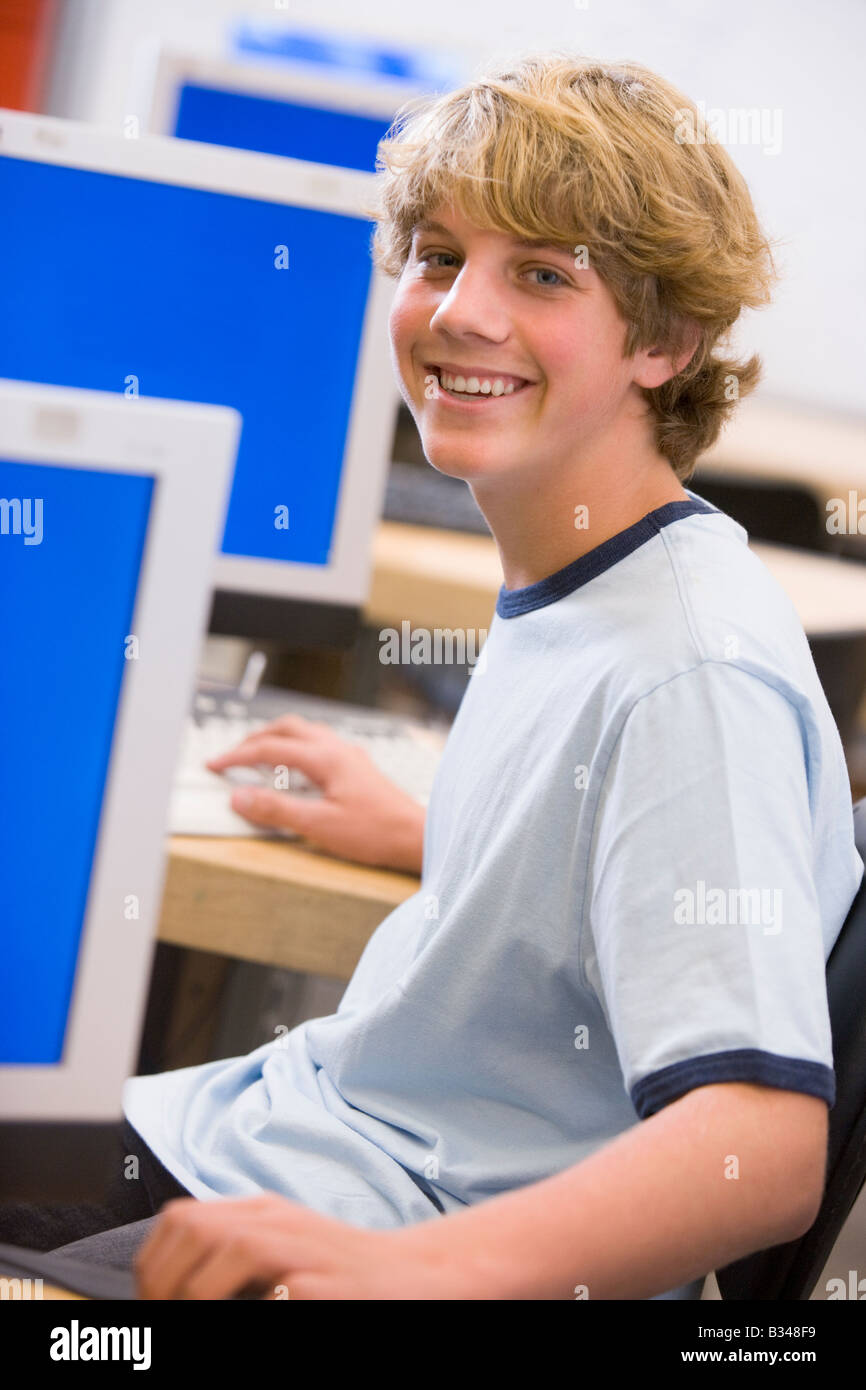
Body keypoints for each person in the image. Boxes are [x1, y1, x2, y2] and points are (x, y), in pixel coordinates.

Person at [3, 52, 862, 1300]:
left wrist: (403, 1269)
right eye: (438, 255)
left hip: (379, 1219)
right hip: (286, 1141)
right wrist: (428, 832)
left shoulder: (689, 670)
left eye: (544, 274)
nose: (461, 310)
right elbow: (638, 873)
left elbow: (760, 1151)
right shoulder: (592, 565)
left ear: (665, 339)